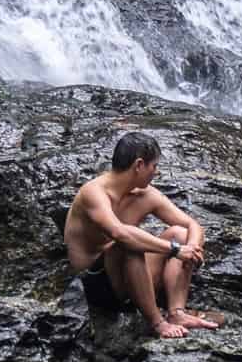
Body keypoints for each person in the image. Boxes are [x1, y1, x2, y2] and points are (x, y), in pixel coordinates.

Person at [64, 131, 218, 338]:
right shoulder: (93, 192)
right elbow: (119, 232)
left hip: (131, 281)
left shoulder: (145, 194)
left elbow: (192, 224)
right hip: (96, 286)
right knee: (130, 242)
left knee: (180, 234)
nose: (156, 172)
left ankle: (177, 313)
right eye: (154, 166)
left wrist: (192, 249)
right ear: (139, 165)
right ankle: (157, 323)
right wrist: (176, 250)